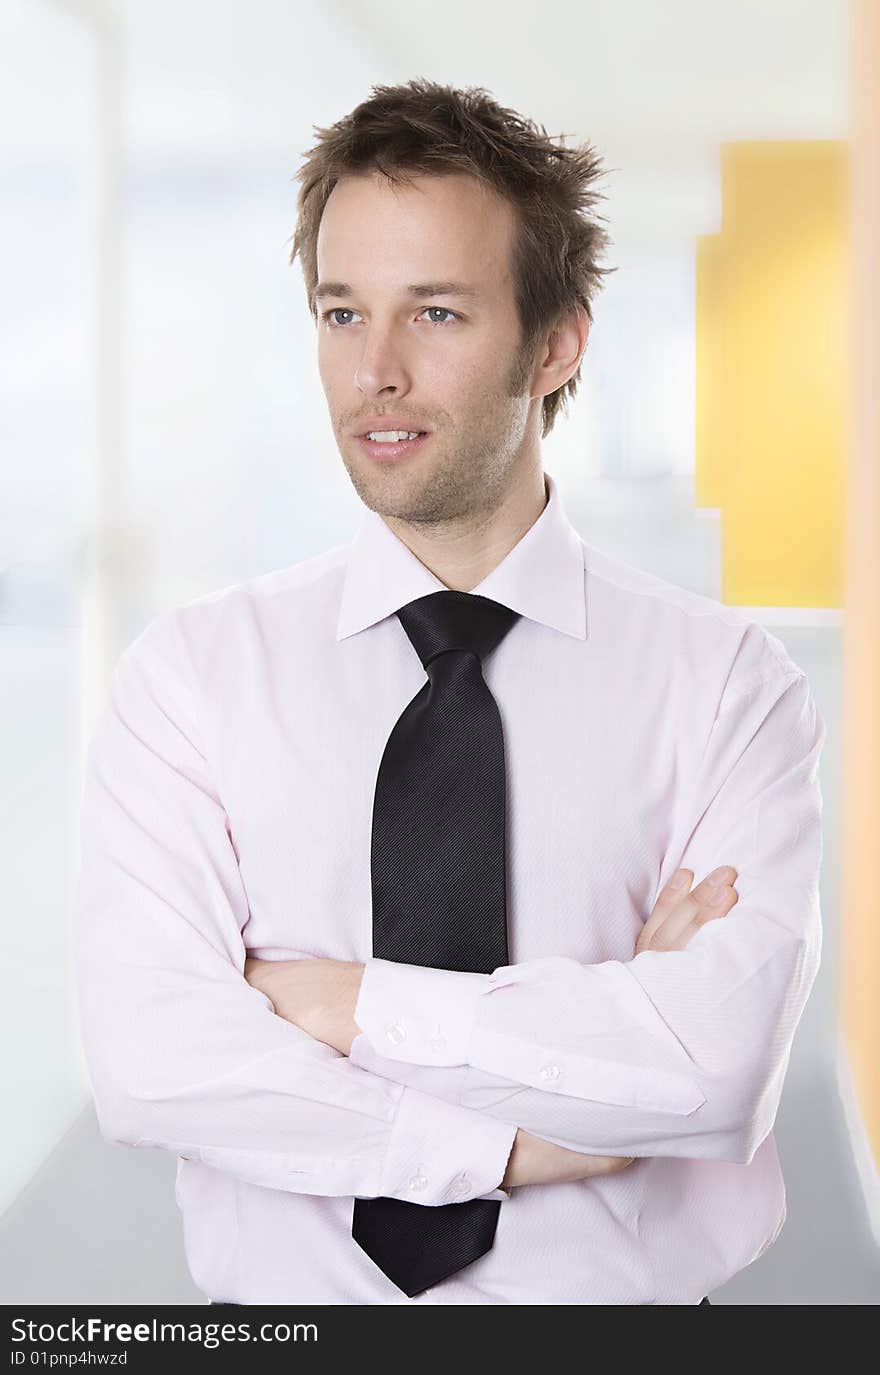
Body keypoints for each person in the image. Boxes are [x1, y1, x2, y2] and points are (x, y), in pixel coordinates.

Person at [72, 79, 825, 1306]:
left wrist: (331, 1000)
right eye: (339, 311)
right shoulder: (193, 678)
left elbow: (713, 1070)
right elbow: (155, 1061)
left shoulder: (727, 688)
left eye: (434, 311)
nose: (374, 371)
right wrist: (528, 1136)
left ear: (556, 341)